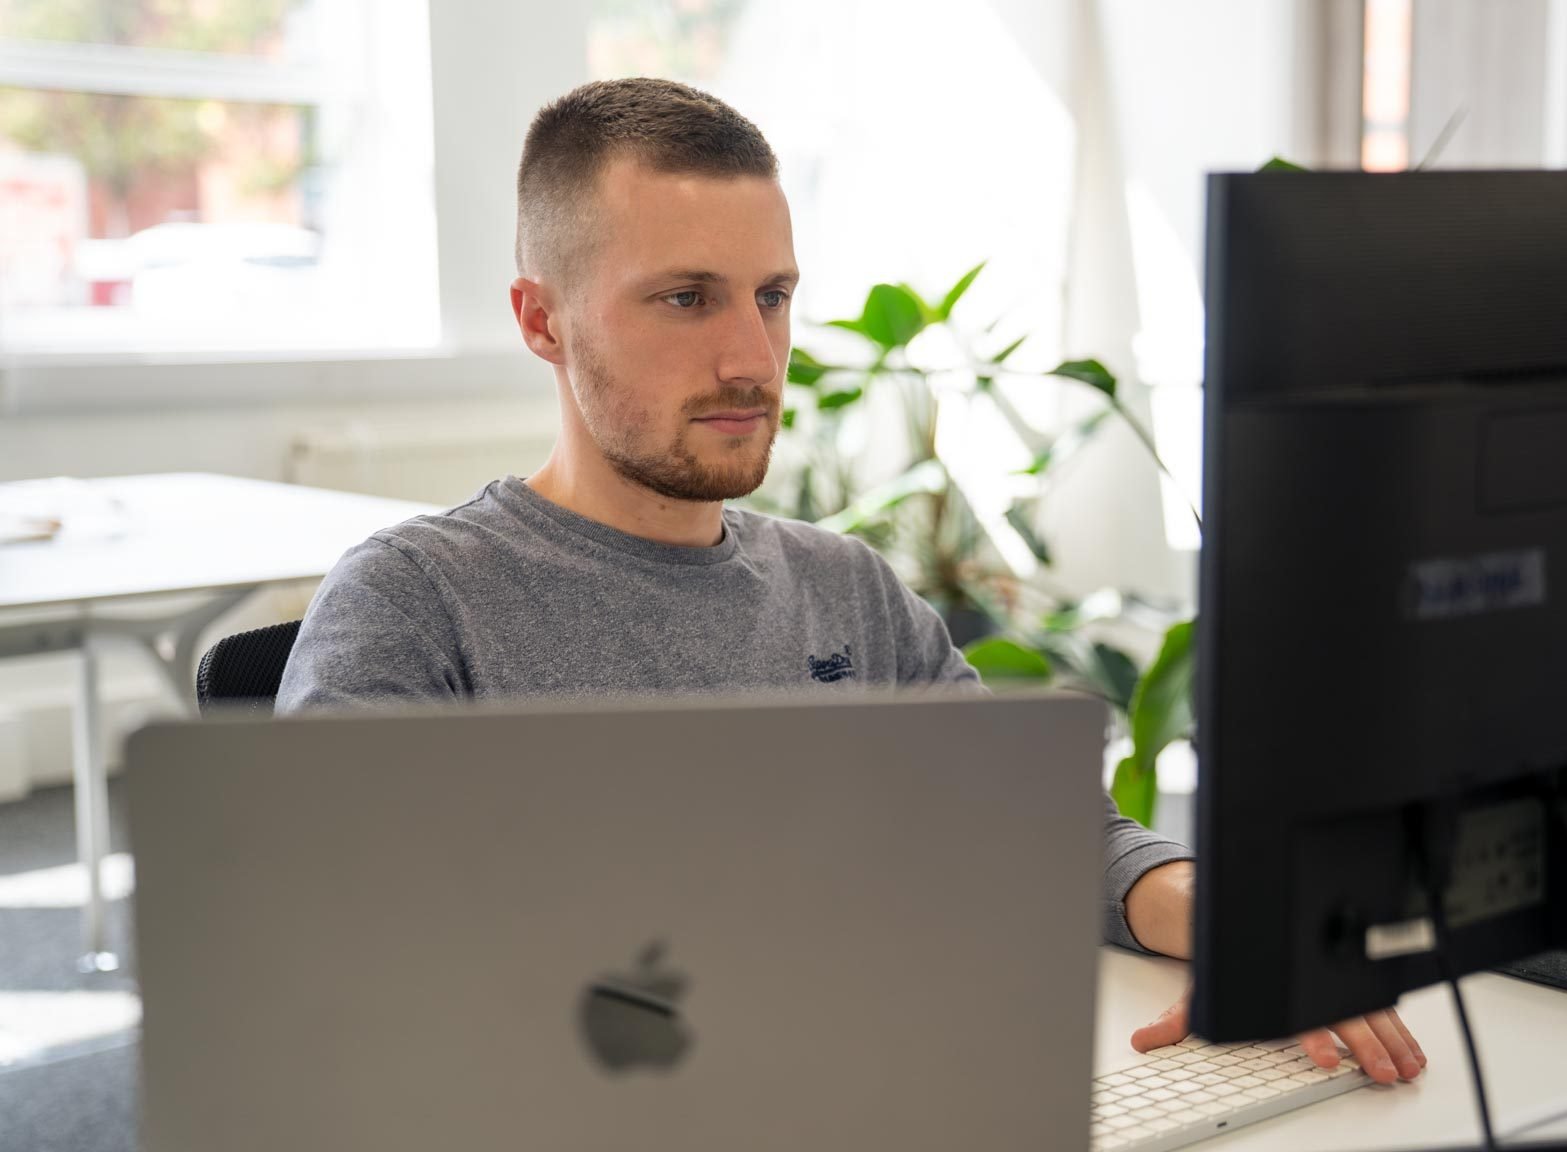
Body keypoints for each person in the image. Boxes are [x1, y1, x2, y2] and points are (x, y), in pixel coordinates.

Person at [276, 77, 1425, 1084]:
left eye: (770, 296)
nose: (749, 357)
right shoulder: (417, 601)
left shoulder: (848, 593)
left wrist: (1232, 932)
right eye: (686, 299)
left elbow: (1034, 834)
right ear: (541, 319)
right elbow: (327, 966)